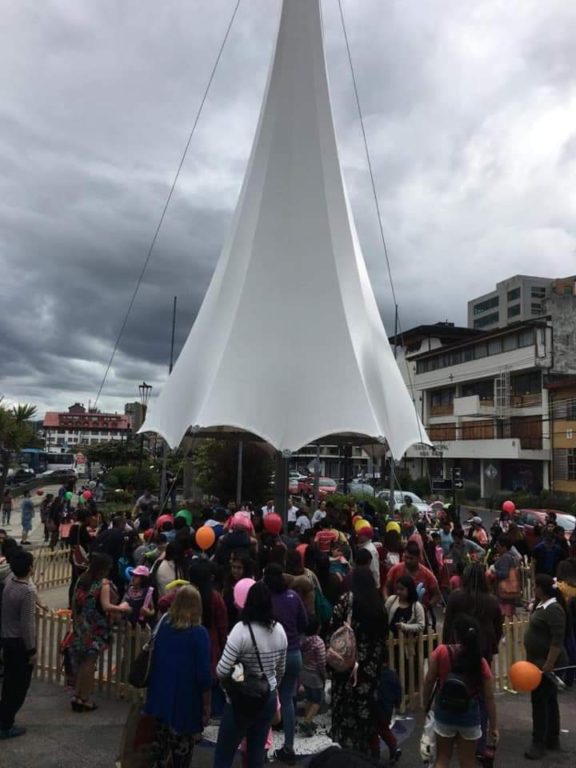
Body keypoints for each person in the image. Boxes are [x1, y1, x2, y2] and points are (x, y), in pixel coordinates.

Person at [214, 581, 288, 768]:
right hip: (267, 696)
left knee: (224, 754)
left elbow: (221, 670)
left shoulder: (241, 630)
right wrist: (271, 684)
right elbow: (281, 670)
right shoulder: (279, 631)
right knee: (256, 755)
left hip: (241, 700)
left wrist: (232, 682)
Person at [145, 585, 212, 768]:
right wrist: (207, 704)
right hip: (185, 701)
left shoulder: (163, 626)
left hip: (159, 695)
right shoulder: (199, 634)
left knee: (159, 749)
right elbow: (204, 674)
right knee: (181, 752)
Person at [422, 614, 498, 768]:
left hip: (444, 710)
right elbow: (489, 697)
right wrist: (494, 725)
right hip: (469, 713)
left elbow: (429, 680)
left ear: (455, 633)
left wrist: (426, 704)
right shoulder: (479, 660)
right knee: (468, 761)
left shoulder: (442, 652)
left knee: (442, 757)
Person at [330, 567, 388, 759]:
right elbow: (383, 639)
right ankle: (368, 754)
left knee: (346, 713)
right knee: (366, 714)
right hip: (369, 671)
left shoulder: (347, 600)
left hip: (346, 668)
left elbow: (333, 628)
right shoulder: (378, 603)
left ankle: (347, 756)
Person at [69, 553, 131, 712]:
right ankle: (85, 698)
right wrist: (123, 608)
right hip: (95, 627)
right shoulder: (103, 584)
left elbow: (75, 603)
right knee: (90, 663)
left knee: (83, 661)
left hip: (81, 624)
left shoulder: (81, 579)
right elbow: (106, 606)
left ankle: (77, 695)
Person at [263, 563, 307, 764]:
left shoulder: (265, 599)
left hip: (271, 656)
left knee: (267, 698)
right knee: (288, 699)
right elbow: (304, 623)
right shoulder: (293, 596)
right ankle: (289, 746)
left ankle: (261, 744)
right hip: (294, 653)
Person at [523, 574, 568, 759]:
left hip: (547, 664)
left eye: (535, 587)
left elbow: (557, 639)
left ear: (541, 589)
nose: (534, 589)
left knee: (540, 701)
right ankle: (552, 737)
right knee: (549, 699)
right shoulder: (543, 606)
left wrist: (549, 663)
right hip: (538, 661)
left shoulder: (554, 609)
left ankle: (538, 742)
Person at [0, 548, 36, 739]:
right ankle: (7, 724)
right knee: (19, 686)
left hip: (6, 638)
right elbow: (27, 624)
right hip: (20, 642)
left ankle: (3, 718)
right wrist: (32, 649)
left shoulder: (8, 582)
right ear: (30, 567)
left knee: (9, 683)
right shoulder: (27, 591)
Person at [443, 564, 503, 664]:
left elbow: (448, 625)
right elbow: (498, 629)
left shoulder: (455, 596)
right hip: (484, 647)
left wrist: (446, 646)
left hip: (459, 646)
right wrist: (491, 645)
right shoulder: (492, 600)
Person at [299, 615, 326, 737]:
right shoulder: (318, 642)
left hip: (304, 673)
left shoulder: (302, 640)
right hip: (315, 675)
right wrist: (324, 674)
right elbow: (321, 661)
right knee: (317, 700)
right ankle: (306, 722)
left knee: (309, 698)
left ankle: (308, 720)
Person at [375, 646, 402, 762]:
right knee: (384, 729)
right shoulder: (392, 675)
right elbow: (398, 691)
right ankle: (393, 748)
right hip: (387, 709)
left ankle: (374, 755)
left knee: (372, 732)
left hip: (374, 708)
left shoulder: (373, 675)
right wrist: (397, 704)